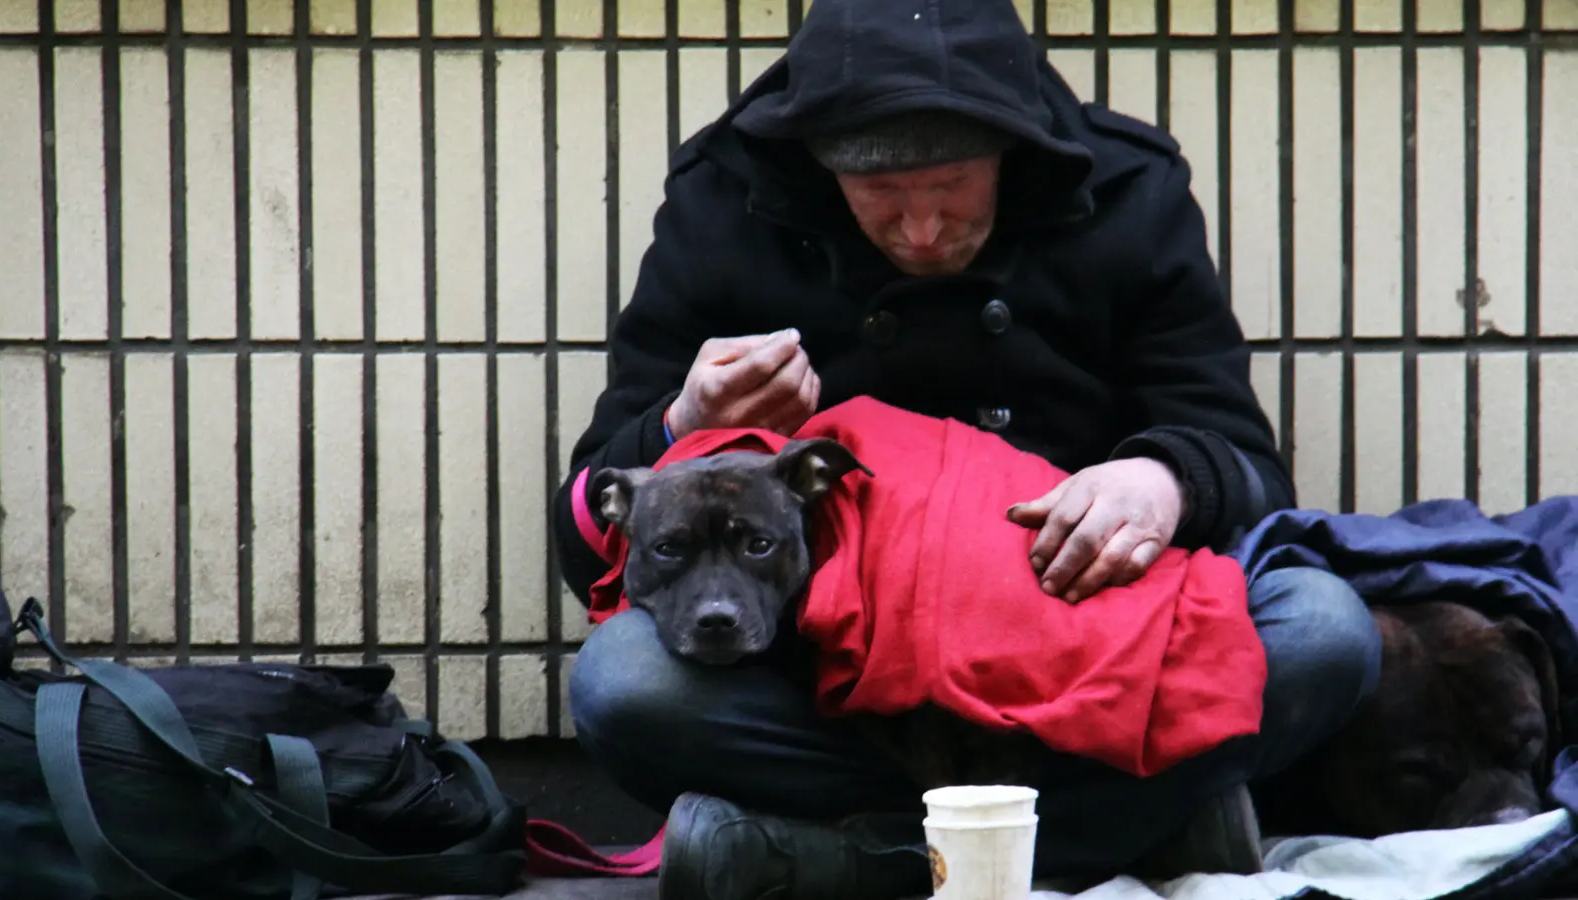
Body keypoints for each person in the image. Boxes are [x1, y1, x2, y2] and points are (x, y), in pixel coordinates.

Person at [552, 0, 1383, 896]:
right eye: (879, 196)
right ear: (818, 166)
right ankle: (1132, 825)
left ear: (1011, 151)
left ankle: (835, 860)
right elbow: (590, 526)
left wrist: (1161, 478)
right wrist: (682, 425)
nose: (920, 231)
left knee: (1327, 630)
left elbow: (1245, 462)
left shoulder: (1129, 188)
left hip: (1078, 637)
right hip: (830, 674)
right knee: (624, 684)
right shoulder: (727, 198)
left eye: (952, 188)